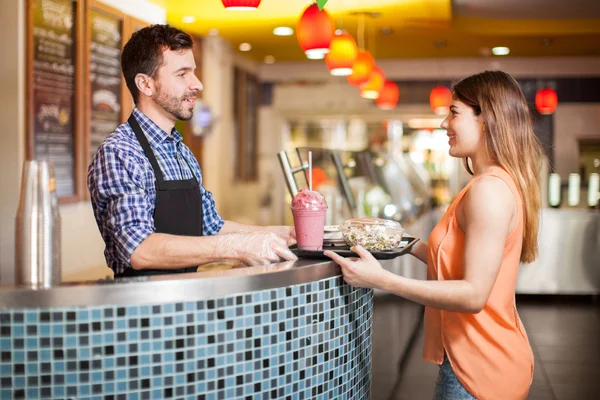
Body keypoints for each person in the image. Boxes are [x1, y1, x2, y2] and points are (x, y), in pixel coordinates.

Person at [325, 70, 542, 399]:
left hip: (480, 369)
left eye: (453, 113)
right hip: (475, 360)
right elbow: (459, 260)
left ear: (486, 119)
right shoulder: (488, 183)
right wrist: (405, 243)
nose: (444, 124)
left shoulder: (489, 191)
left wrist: (380, 279)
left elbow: (473, 294)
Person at [87, 25, 297, 278]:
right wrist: (234, 247)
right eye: (182, 74)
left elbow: (210, 226)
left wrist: (278, 234)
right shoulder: (120, 152)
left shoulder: (181, 152)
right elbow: (139, 249)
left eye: (193, 72)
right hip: (143, 309)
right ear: (146, 84)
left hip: (187, 303)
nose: (197, 84)